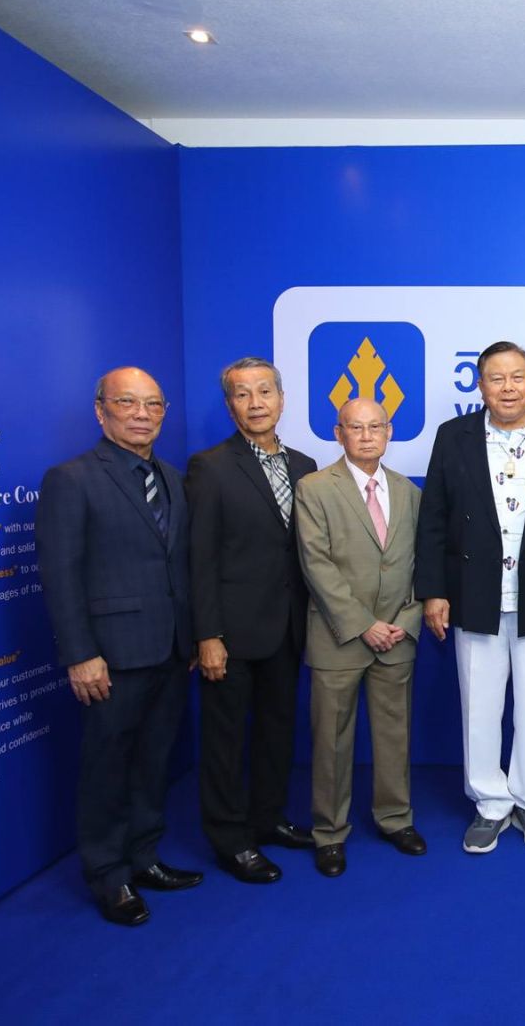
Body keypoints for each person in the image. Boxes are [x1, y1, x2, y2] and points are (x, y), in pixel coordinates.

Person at [37, 366, 200, 927]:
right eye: (127, 402)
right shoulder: (72, 479)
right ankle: (109, 876)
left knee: (154, 761)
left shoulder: (173, 478)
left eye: (153, 404)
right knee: (107, 768)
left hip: (171, 649)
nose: (141, 414)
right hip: (110, 655)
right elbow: (61, 574)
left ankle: (144, 857)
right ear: (100, 410)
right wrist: (80, 654)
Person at [416, 341, 525, 853]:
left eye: (517, 377)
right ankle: (490, 804)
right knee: (480, 707)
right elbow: (434, 519)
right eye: (496, 378)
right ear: (480, 385)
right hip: (474, 593)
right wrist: (433, 592)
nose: (508, 388)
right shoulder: (454, 436)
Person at [185, 357, 318, 884]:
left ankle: (269, 819)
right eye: (243, 394)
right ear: (230, 405)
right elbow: (200, 557)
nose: (256, 403)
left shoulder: (305, 465)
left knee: (277, 732)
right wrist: (207, 634)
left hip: (288, 628)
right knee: (225, 742)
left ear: (282, 400)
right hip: (231, 633)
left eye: (265, 391)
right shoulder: (210, 466)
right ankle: (230, 840)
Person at [295, 398, 425, 877]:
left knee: (395, 734)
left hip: (397, 635)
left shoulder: (408, 492)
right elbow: (316, 564)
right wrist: (363, 624)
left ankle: (395, 819)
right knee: (331, 740)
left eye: (376, 427)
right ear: (339, 433)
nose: (367, 436)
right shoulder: (314, 488)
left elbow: (419, 562)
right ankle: (329, 832)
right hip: (340, 636)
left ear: (389, 432)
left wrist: (407, 619)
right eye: (356, 427)